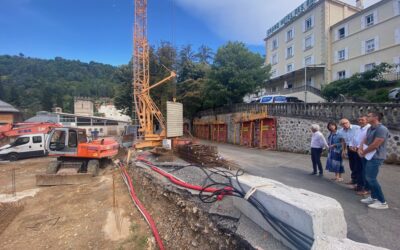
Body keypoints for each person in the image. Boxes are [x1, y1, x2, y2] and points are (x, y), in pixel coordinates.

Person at [358, 112, 389, 209]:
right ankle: (373, 197)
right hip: (368, 156)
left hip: (376, 157)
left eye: (368, 116)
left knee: (371, 178)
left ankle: (382, 202)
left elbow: (375, 145)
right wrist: (360, 148)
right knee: (368, 177)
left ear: (376, 117)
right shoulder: (370, 128)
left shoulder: (382, 129)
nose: (367, 117)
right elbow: (365, 140)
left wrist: (363, 152)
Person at [338, 118, 360, 185]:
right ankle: (353, 179)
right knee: (352, 164)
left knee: (358, 164)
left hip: (357, 147)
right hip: (349, 147)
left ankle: (358, 181)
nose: (345, 124)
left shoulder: (357, 128)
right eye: (343, 124)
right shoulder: (341, 131)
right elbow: (343, 141)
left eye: (346, 123)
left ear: (349, 122)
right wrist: (344, 150)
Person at [352, 116, 371, 195]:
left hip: (364, 152)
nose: (360, 121)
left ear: (367, 120)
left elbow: (367, 140)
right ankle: (359, 185)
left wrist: (360, 149)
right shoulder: (359, 128)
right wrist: (352, 145)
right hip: (357, 150)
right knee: (359, 169)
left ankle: (366, 188)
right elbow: (355, 138)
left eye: (362, 120)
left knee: (365, 171)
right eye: (359, 119)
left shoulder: (369, 128)